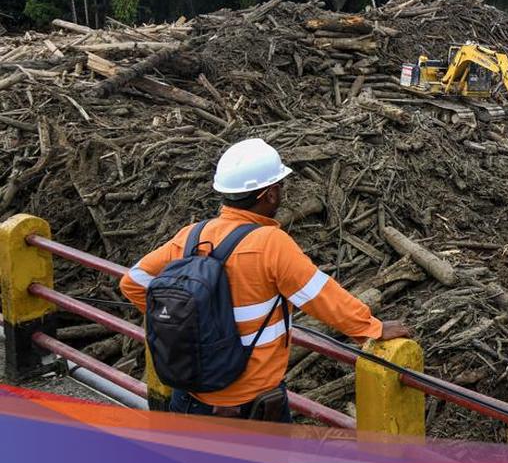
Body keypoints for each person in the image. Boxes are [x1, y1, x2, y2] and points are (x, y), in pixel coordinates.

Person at [120, 138, 411, 422]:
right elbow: (320, 296)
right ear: (270, 194)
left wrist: (179, 322)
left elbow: (133, 282)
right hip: (250, 407)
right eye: (280, 187)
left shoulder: (191, 235)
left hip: (187, 398)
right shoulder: (270, 243)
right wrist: (371, 328)